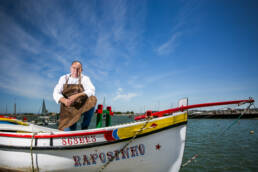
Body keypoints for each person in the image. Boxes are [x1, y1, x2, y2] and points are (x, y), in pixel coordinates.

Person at [53, 61, 97, 131]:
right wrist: (64, 100)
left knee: (93, 99)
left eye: (78, 69)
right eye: (74, 68)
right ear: (70, 68)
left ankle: (84, 127)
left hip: (81, 106)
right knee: (69, 131)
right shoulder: (63, 78)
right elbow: (56, 92)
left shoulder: (85, 78)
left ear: (81, 70)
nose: (76, 71)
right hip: (68, 108)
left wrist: (76, 95)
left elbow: (92, 90)